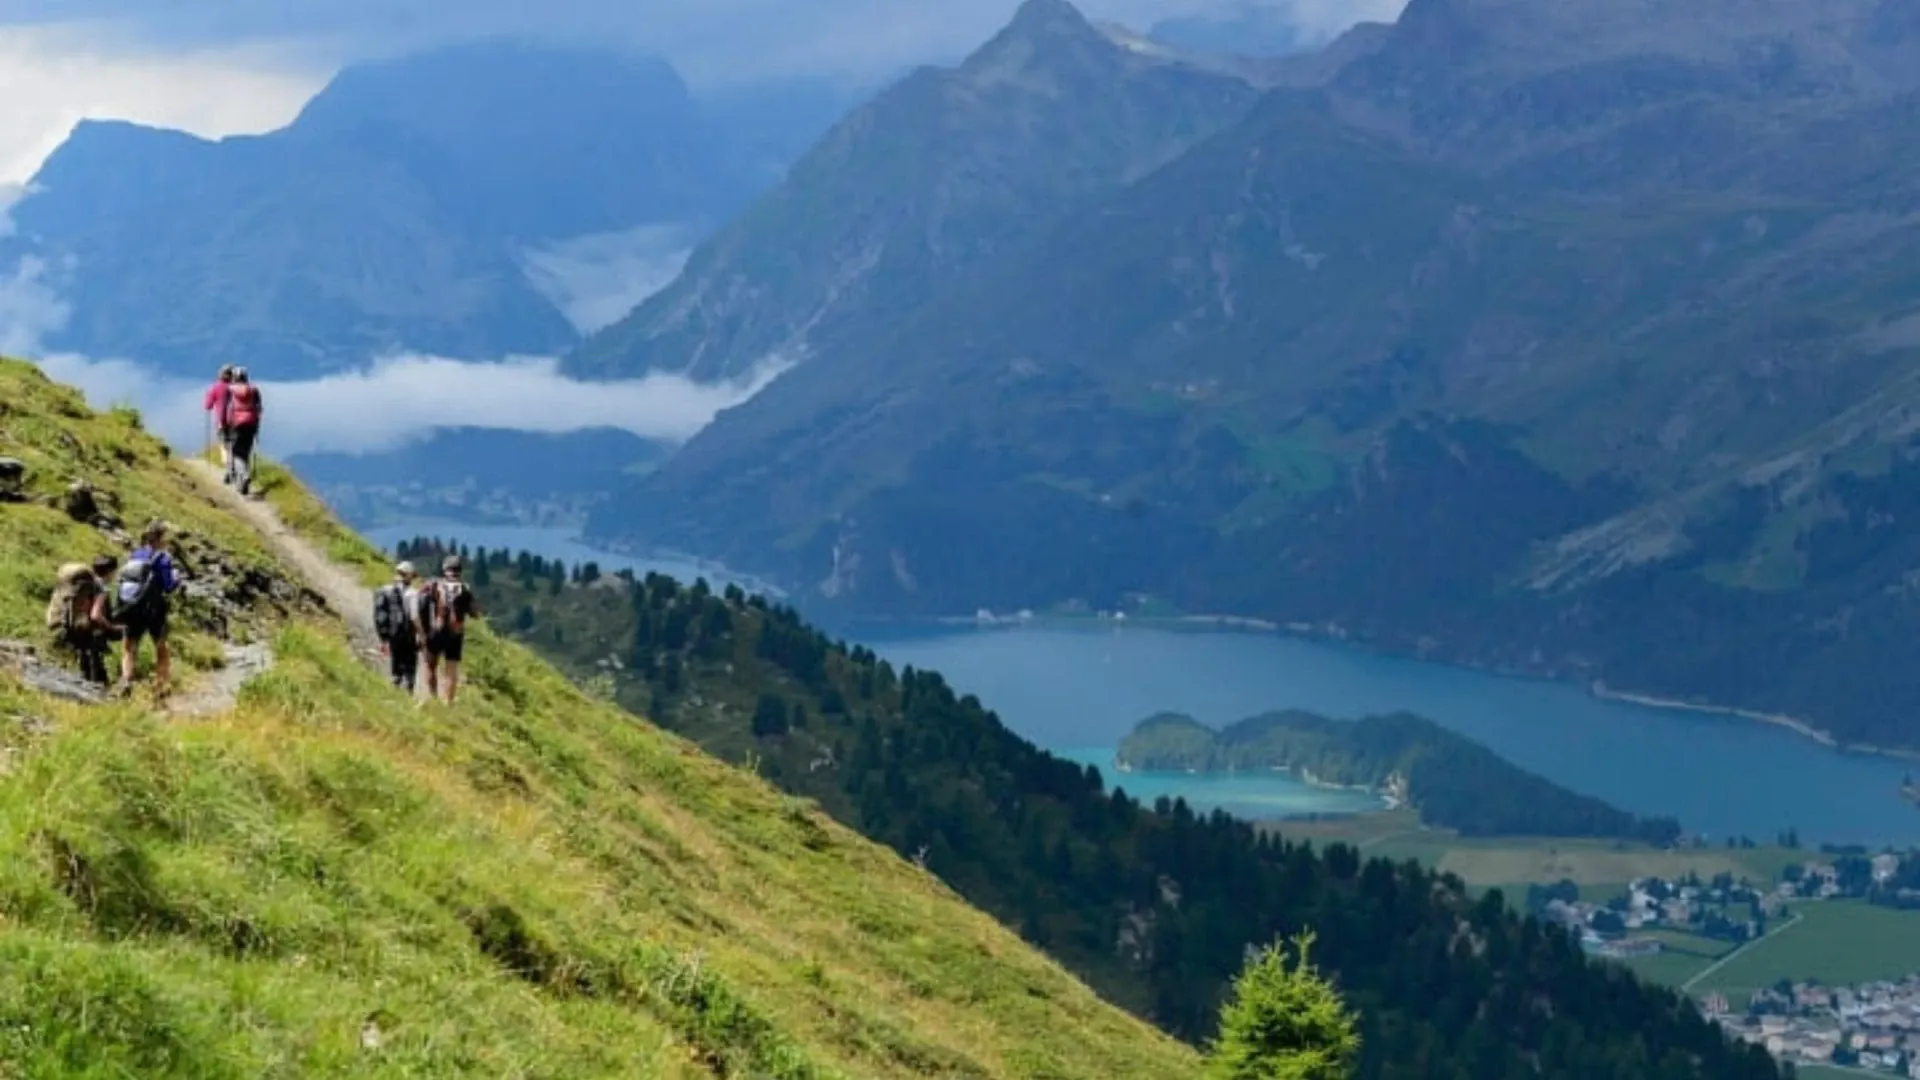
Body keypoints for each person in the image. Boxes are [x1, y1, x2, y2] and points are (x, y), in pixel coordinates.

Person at [116, 521, 184, 692]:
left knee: (129, 647)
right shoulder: (163, 558)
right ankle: (160, 686)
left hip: (132, 606)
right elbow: (168, 586)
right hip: (155, 609)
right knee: (160, 646)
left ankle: (126, 681)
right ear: (160, 538)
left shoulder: (135, 555)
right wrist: (176, 577)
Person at [46, 554, 120, 685]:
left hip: (61, 626)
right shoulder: (100, 588)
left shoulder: (77, 583)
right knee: (94, 675)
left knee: (69, 665)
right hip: (87, 636)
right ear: (110, 572)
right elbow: (95, 615)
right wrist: (110, 627)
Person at [417, 553, 478, 705]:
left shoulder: (434, 585)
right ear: (459, 571)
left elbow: (421, 603)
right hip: (456, 633)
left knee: (430, 663)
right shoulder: (464, 588)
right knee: (451, 668)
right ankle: (448, 702)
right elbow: (475, 613)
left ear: (445, 569)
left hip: (436, 630)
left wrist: (422, 630)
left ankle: (432, 697)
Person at [373, 561, 422, 693]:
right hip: (408, 637)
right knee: (409, 669)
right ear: (409, 576)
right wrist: (421, 635)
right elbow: (414, 617)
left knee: (395, 668)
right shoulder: (413, 593)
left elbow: (381, 616)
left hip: (393, 635)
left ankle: (394, 693)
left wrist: (384, 639)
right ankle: (407, 696)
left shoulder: (386, 591)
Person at [224, 367, 264, 496]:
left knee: (236, 452)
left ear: (235, 377)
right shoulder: (254, 390)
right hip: (251, 423)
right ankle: (242, 485)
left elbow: (226, 407)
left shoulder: (230, 390)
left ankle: (244, 475)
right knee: (246, 451)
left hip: (236, 423)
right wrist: (257, 426)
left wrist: (225, 425)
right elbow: (259, 408)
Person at [203, 365, 236, 482]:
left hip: (221, 422)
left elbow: (208, 406)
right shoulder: (234, 388)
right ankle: (235, 468)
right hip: (235, 421)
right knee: (233, 445)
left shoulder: (215, 388)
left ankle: (228, 469)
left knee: (224, 446)